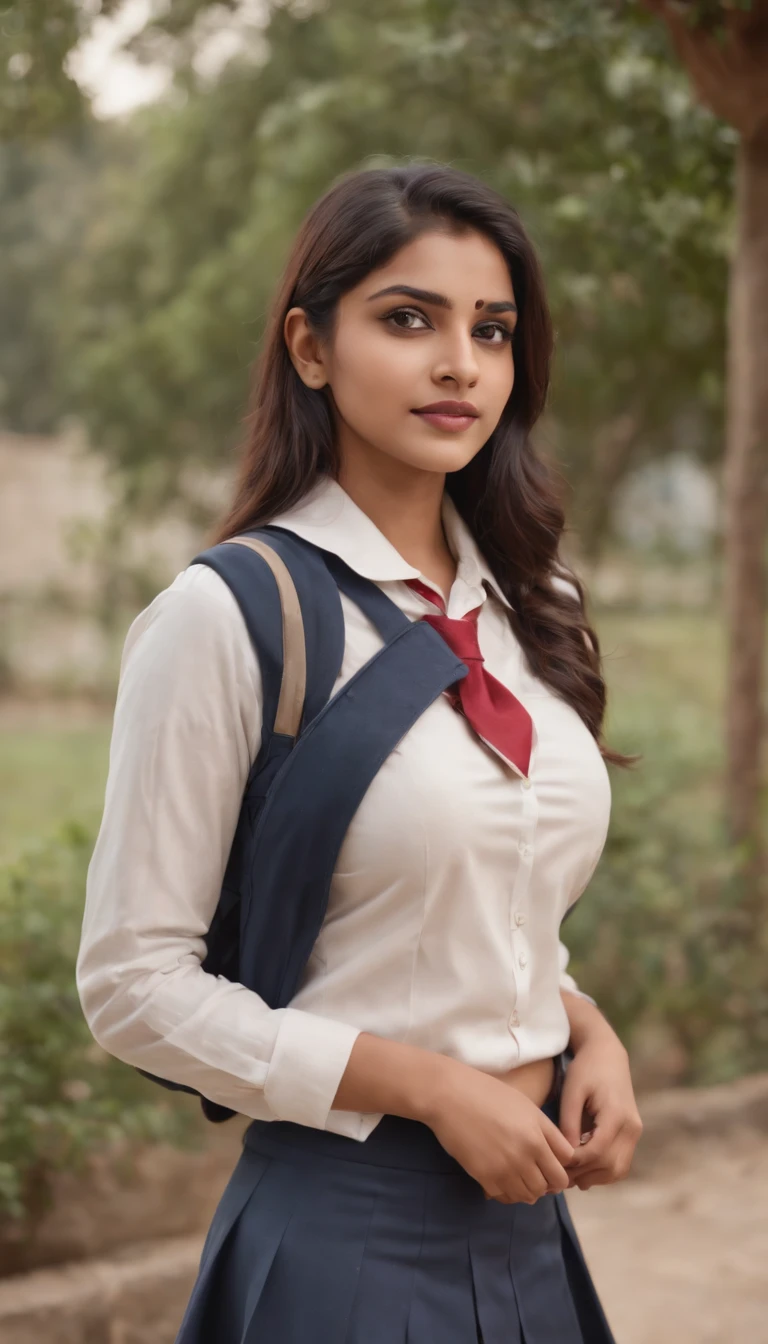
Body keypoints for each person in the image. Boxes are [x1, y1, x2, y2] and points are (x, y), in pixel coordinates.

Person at [76, 161, 643, 1343]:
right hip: (345, 1236)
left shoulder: (532, 609)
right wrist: (432, 1087)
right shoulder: (229, 615)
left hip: (532, 1226)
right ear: (310, 346)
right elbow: (131, 987)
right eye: (408, 319)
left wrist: (583, 1026)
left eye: (491, 330)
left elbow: (466, 898)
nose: (461, 365)